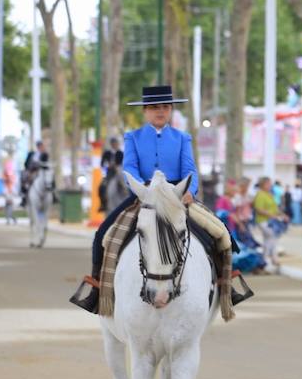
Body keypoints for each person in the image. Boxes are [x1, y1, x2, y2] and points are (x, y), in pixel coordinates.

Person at [72, 85, 246, 314]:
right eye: (154, 107)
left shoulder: (182, 138)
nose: (160, 111)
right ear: (145, 110)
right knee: (103, 234)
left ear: (171, 109)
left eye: (165, 107)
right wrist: (143, 191)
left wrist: (188, 192)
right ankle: (97, 288)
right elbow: (130, 168)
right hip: (144, 195)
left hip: (177, 196)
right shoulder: (132, 137)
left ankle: (227, 285)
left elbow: (190, 169)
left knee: (221, 233)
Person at [252, 175, 287, 271]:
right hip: (263, 221)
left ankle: (271, 258)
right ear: (263, 184)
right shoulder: (260, 195)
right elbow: (258, 209)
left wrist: (282, 215)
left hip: (271, 220)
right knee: (270, 238)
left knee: (272, 239)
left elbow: (275, 208)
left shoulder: (269, 194)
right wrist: (271, 215)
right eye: (268, 183)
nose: (270, 185)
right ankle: (266, 259)